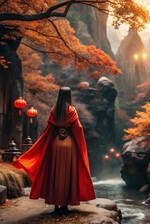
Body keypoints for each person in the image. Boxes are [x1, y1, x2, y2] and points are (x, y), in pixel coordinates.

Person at [13, 87, 95, 215]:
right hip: (69, 145)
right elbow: (78, 128)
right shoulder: (72, 110)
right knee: (67, 174)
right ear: (68, 96)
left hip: (56, 144)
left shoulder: (53, 111)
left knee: (56, 173)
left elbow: (48, 131)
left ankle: (56, 206)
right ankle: (65, 206)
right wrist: (80, 145)